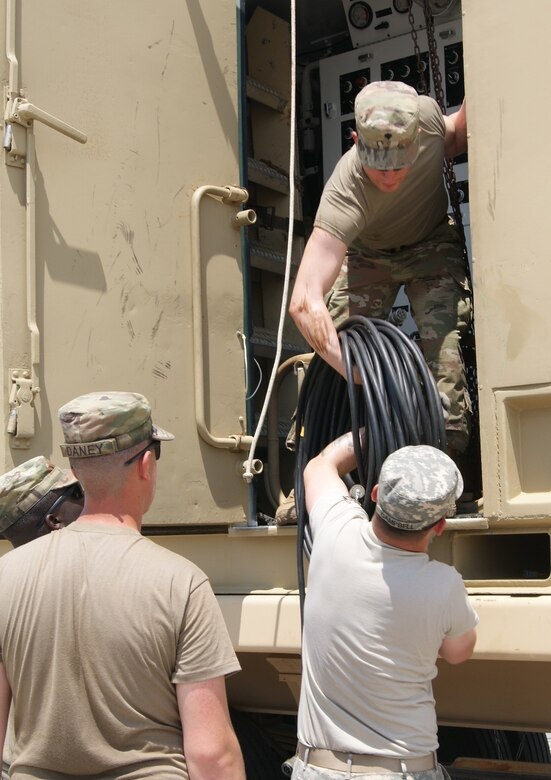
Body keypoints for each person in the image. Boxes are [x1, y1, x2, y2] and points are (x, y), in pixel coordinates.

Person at [0, 390, 245, 780]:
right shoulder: (182, 584)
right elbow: (211, 755)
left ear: (75, 470)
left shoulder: (6, 576)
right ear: (146, 464)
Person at [289, 81, 472, 457]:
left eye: (398, 165)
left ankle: (445, 463)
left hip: (431, 245)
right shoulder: (345, 189)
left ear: (418, 136)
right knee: (335, 349)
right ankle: (315, 467)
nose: (389, 178)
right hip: (368, 256)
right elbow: (304, 301)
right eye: (378, 167)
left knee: (446, 357)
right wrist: (355, 371)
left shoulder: (429, 121)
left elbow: (458, 135)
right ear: (355, 139)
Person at [292, 439, 478, 779]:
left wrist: (366, 431)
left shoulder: (334, 534)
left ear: (375, 493)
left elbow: (319, 465)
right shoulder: (444, 585)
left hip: (319, 767)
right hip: (402, 770)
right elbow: (458, 652)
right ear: (439, 526)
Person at [0, 456, 85, 780]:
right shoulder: (91, 577)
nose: (88, 497)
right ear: (55, 520)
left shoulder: (8, 586)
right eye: (77, 493)